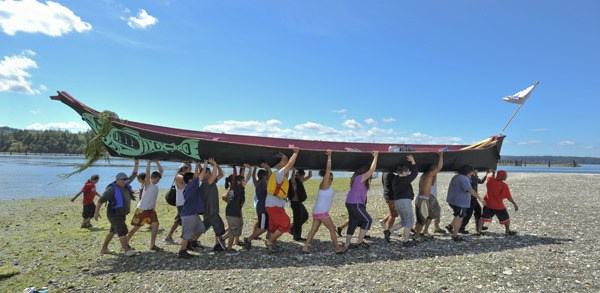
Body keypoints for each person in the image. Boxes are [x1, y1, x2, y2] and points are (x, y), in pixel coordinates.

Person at [302, 150, 346, 254]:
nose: (331, 179)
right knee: (332, 229)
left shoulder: (326, 185)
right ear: (327, 177)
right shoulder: (324, 184)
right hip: (321, 212)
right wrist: (329, 156)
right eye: (330, 177)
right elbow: (328, 169)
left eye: (332, 178)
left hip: (318, 211)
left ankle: (306, 247)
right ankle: (337, 248)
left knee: (313, 230)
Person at [94, 159, 139, 256]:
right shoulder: (111, 189)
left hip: (121, 213)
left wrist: (136, 162)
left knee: (113, 230)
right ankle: (126, 250)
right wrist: (96, 212)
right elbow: (101, 200)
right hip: (114, 213)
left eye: (125, 180)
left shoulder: (125, 184)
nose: (125, 182)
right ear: (118, 180)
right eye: (123, 181)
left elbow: (134, 174)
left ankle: (104, 248)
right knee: (122, 230)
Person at [265, 147, 300, 253]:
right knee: (286, 223)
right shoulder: (279, 174)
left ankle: (272, 245)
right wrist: (295, 153)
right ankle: (270, 242)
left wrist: (287, 160)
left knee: (274, 226)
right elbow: (289, 165)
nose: (287, 163)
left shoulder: (280, 175)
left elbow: (289, 167)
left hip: (274, 204)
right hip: (273, 205)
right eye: (284, 161)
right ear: (280, 164)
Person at [126, 160, 164, 251]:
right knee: (136, 227)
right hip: (142, 209)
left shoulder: (154, 184)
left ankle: (152, 245)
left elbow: (161, 171)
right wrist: (149, 163)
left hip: (151, 210)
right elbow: (147, 173)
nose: (158, 181)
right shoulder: (147, 183)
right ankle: (125, 242)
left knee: (155, 225)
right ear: (153, 178)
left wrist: (157, 162)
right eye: (157, 179)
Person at [344, 151, 378, 249]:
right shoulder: (360, 178)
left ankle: (347, 244)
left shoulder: (357, 178)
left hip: (351, 203)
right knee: (368, 220)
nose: (370, 175)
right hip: (355, 203)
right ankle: (359, 242)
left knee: (353, 222)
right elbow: (371, 170)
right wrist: (376, 157)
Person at [445, 165, 486, 241]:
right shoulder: (464, 179)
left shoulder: (456, 177)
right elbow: (470, 190)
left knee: (457, 214)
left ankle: (450, 226)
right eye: (471, 172)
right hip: (459, 202)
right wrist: (480, 199)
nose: (472, 173)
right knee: (460, 217)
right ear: (468, 172)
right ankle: (455, 236)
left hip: (452, 200)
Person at [385, 155, 418, 247]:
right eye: (407, 171)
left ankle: (388, 232)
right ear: (403, 172)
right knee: (409, 221)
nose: (408, 173)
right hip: (404, 202)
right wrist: (413, 161)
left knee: (403, 221)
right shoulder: (405, 179)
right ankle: (406, 242)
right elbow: (415, 173)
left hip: (398, 202)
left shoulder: (395, 179)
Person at [178, 161, 207, 258]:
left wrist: (197, 165)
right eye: (193, 178)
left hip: (193, 213)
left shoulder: (190, 186)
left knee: (201, 229)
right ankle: (182, 251)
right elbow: (200, 176)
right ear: (191, 180)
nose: (195, 178)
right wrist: (206, 163)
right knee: (187, 234)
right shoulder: (191, 186)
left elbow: (196, 176)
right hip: (188, 215)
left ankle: (190, 243)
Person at [477, 170, 519, 236]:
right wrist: (514, 204)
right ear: (502, 176)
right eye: (505, 175)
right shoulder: (504, 185)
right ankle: (507, 231)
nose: (506, 176)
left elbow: (490, 177)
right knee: (506, 218)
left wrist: (493, 173)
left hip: (488, 204)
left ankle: (478, 232)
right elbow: (508, 197)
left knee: (483, 218)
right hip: (498, 206)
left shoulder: (490, 181)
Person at [413, 151, 444, 239]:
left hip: (421, 198)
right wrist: (441, 155)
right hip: (423, 199)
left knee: (423, 217)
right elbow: (440, 167)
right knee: (422, 220)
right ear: (432, 170)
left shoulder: (424, 175)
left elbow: (432, 183)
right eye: (435, 170)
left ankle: (419, 234)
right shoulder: (430, 174)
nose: (436, 171)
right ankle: (417, 236)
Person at [224, 164, 252, 255]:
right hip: (233, 212)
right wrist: (250, 169)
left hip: (231, 211)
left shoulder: (233, 187)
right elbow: (246, 178)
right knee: (233, 231)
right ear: (240, 182)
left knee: (234, 229)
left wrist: (240, 168)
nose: (245, 182)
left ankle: (223, 239)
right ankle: (229, 249)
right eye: (243, 181)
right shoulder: (239, 188)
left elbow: (239, 177)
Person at [201, 158, 227, 251]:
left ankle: (192, 241)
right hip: (211, 210)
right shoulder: (205, 183)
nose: (210, 173)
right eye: (208, 172)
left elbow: (221, 174)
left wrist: (216, 165)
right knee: (219, 227)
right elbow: (214, 175)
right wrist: (214, 165)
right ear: (204, 175)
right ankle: (217, 246)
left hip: (209, 210)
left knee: (202, 227)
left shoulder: (210, 182)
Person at [243, 163, 271, 247]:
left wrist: (254, 169)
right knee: (263, 227)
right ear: (264, 176)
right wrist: (268, 168)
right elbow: (271, 177)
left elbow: (253, 177)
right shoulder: (263, 183)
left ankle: (269, 241)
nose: (267, 177)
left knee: (267, 225)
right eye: (266, 175)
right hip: (263, 208)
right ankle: (249, 239)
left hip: (261, 206)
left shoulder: (257, 183)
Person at [165, 162, 191, 244]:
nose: (190, 168)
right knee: (186, 221)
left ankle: (169, 236)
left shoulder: (186, 176)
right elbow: (187, 183)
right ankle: (187, 239)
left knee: (178, 220)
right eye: (188, 167)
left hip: (184, 202)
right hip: (181, 202)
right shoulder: (179, 176)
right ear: (183, 169)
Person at [460, 169, 490, 233]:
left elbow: (481, 181)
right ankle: (461, 227)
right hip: (471, 197)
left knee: (478, 210)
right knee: (469, 213)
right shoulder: (470, 177)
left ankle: (478, 226)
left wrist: (486, 175)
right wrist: (475, 175)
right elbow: (473, 182)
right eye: (475, 170)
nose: (477, 171)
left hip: (473, 197)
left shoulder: (473, 177)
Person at [289, 169, 312, 241]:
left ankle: (292, 228)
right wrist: (293, 169)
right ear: (298, 175)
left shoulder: (300, 180)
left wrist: (310, 168)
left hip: (299, 203)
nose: (303, 177)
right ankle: (297, 236)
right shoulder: (294, 181)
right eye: (302, 176)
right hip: (295, 203)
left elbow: (310, 176)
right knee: (298, 220)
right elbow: (292, 178)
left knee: (305, 216)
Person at [378, 171, 398, 235]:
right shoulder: (391, 174)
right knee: (393, 215)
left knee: (393, 212)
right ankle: (390, 230)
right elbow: (395, 186)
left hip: (387, 193)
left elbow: (383, 183)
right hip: (391, 196)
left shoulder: (384, 172)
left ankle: (384, 221)